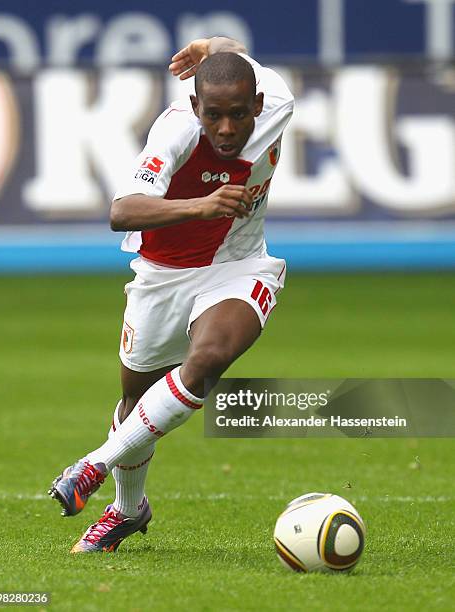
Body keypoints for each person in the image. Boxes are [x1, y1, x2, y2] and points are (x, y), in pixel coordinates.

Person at [49, 36, 294, 553]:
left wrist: (213, 45)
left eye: (238, 115)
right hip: (162, 276)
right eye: (213, 116)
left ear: (258, 105)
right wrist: (200, 205)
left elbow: (234, 52)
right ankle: (128, 509)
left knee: (206, 361)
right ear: (195, 107)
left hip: (239, 265)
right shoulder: (176, 129)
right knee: (134, 397)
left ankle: (94, 465)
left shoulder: (279, 100)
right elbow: (123, 210)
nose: (226, 129)